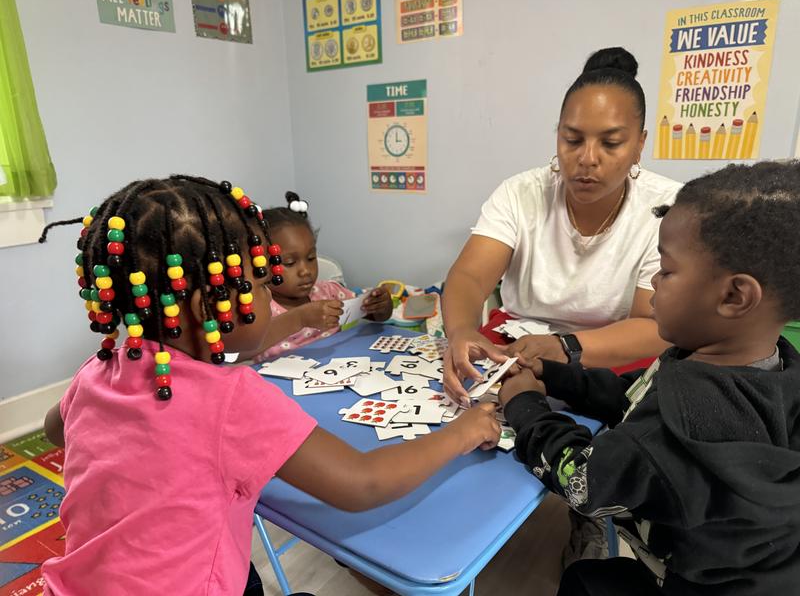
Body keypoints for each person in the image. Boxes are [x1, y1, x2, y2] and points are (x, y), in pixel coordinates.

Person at [37, 175, 501, 595]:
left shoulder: (96, 373)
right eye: (260, 282)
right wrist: (463, 432)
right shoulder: (229, 398)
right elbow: (363, 484)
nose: (269, 292)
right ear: (207, 308)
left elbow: (56, 430)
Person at [498, 161, 800, 595]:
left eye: (667, 270)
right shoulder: (765, 364)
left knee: (582, 584)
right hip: (756, 567)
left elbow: (582, 482)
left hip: (702, 584)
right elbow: (636, 394)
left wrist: (524, 406)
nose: (653, 281)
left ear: (734, 296)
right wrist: (556, 376)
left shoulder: (682, 431)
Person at [442, 46, 682, 406]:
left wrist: (565, 347)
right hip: (517, 342)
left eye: (611, 143)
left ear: (639, 145)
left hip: (613, 352)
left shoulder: (667, 208)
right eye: (572, 139)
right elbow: (470, 277)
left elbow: (654, 325)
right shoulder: (520, 193)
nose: (587, 158)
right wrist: (461, 330)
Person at [254, 191, 393, 362]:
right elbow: (243, 350)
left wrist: (380, 307)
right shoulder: (258, 308)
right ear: (260, 264)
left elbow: (370, 314)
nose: (305, 271)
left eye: (311, 258)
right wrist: (299, 318)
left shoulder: (328, 292)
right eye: (289, 262)